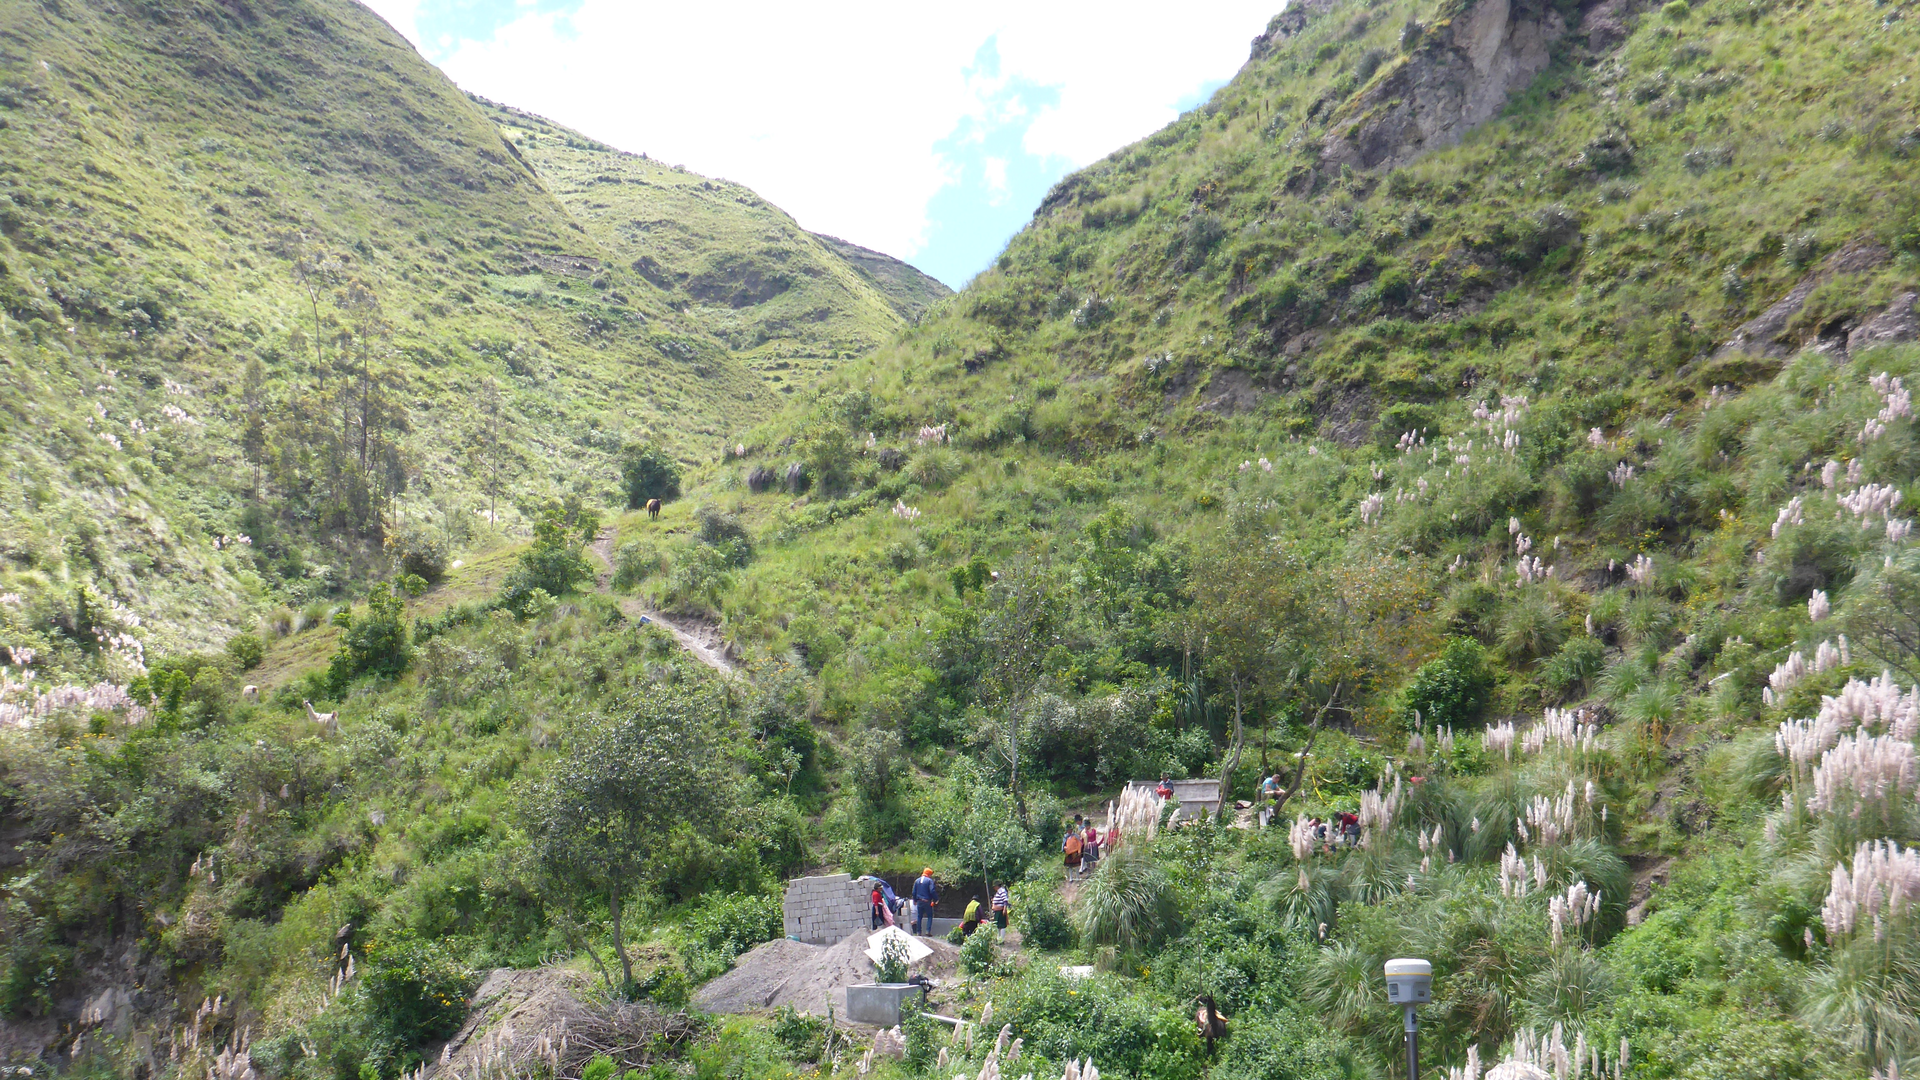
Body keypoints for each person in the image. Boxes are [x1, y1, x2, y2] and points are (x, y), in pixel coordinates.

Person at [912, 868, 939, 935]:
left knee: (919, 916)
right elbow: (932, 891)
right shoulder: (929, 881)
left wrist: (915, 900)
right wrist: (936, 899)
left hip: (919, 901)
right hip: (927, 901)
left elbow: (914, 892)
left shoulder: (917, 881)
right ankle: (927, 931)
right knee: (929, 916)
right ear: (929, 874)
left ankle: (918, 932)